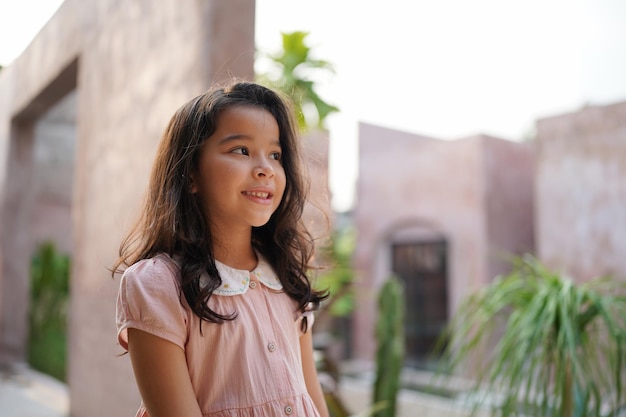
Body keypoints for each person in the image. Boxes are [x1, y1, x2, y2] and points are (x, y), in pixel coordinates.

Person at [114, 80, 330, 417]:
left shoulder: (287, 278)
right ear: (190, 175)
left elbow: (312, 398)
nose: (265, 168)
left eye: (275, 155)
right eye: (241, 150)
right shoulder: (157, 284)